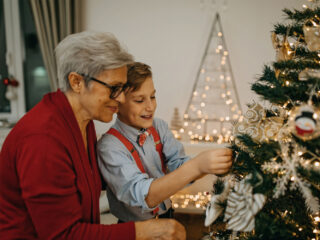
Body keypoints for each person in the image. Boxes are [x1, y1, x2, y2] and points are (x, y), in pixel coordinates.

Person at [0, 31, 186, 240]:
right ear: (77, 82)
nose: (122, 97)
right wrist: (148, 230)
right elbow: (64, 235)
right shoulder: (42, 140)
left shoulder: (83, 122)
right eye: (115, 88)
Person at [97, 62, 233, 222]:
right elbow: (145, 196)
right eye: (140, 100)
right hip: (133, 229)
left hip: (168, 216)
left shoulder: (159, 127)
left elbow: (179, 166)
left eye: (152, 97)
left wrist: (210, 165)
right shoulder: (109, 146)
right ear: (117, 105)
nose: (150, 107)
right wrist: (197, 165)